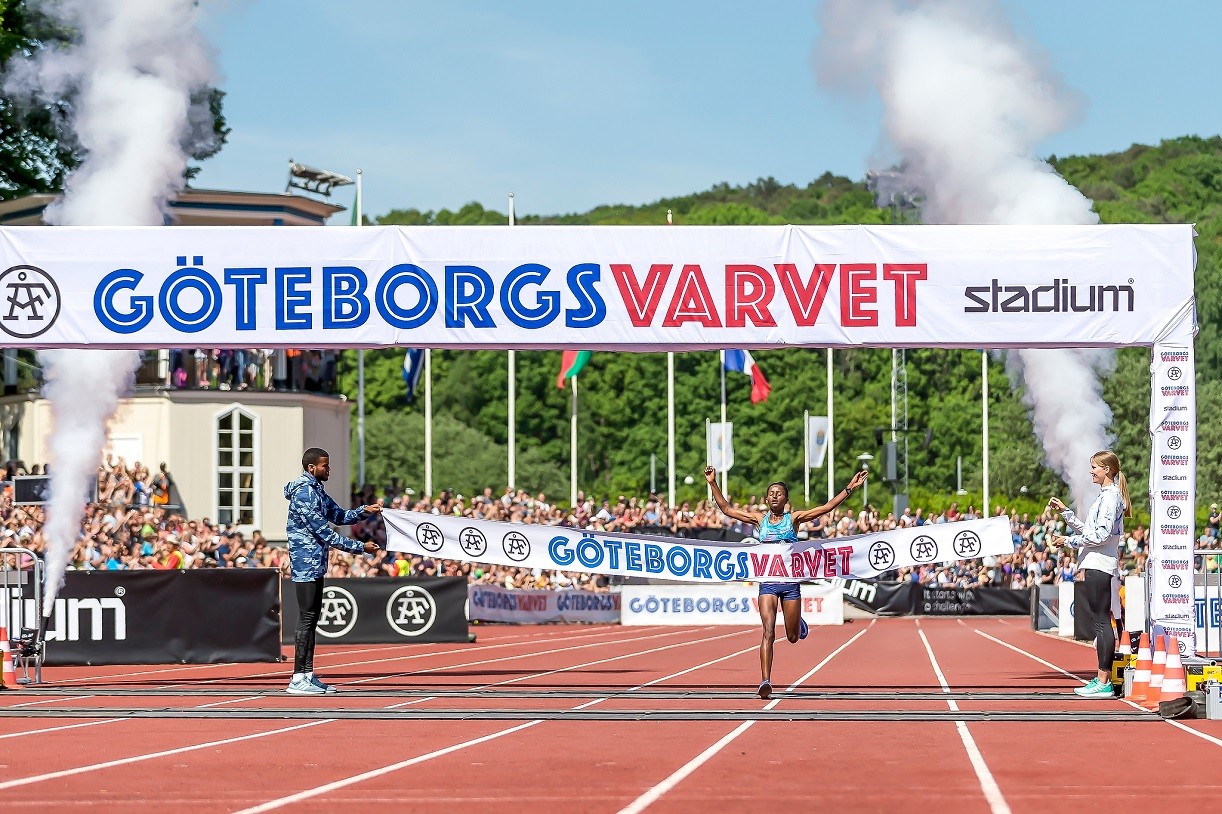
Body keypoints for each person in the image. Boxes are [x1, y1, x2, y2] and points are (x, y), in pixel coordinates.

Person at [705, 464, 868, 699]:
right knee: (768, 631)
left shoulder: (794, 519)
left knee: (791, 637)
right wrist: (712, 483)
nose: (774, 496)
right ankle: (765, 681)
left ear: (786, 500)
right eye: (771, 493)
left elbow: (826, 508)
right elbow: (727, 510)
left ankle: (798, 623)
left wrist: (850, 488)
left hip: (790, 584)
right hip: (768, 584)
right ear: (766, 498)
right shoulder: (759, 520)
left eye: (778, 493)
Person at [284, 447, 382, 695]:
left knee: (313, 617)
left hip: (316, 560)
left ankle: (307, 673)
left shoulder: (316, 489)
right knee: (306, 617)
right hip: (305, 560)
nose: (329, 469)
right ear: (311, 468)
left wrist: (363, 511)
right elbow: (323, 532)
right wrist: (360, 547)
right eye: (325, 466)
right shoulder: (304, 493)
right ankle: (297, 677)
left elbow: (338, 515)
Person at [1046, 449, 1132, 699]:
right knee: (1100, 620)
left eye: (1094, 467)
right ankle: (1101, 677)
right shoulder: (1107, 496)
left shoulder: (1110, 497)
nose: (1091, 471)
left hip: (1099, 563)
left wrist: (1067, 541)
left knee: (1101, 621)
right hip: (1097, 562)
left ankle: (1103, 680)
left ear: (1107, 469)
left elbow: (1100, 536)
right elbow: (1091, 531)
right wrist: (1066, 513)